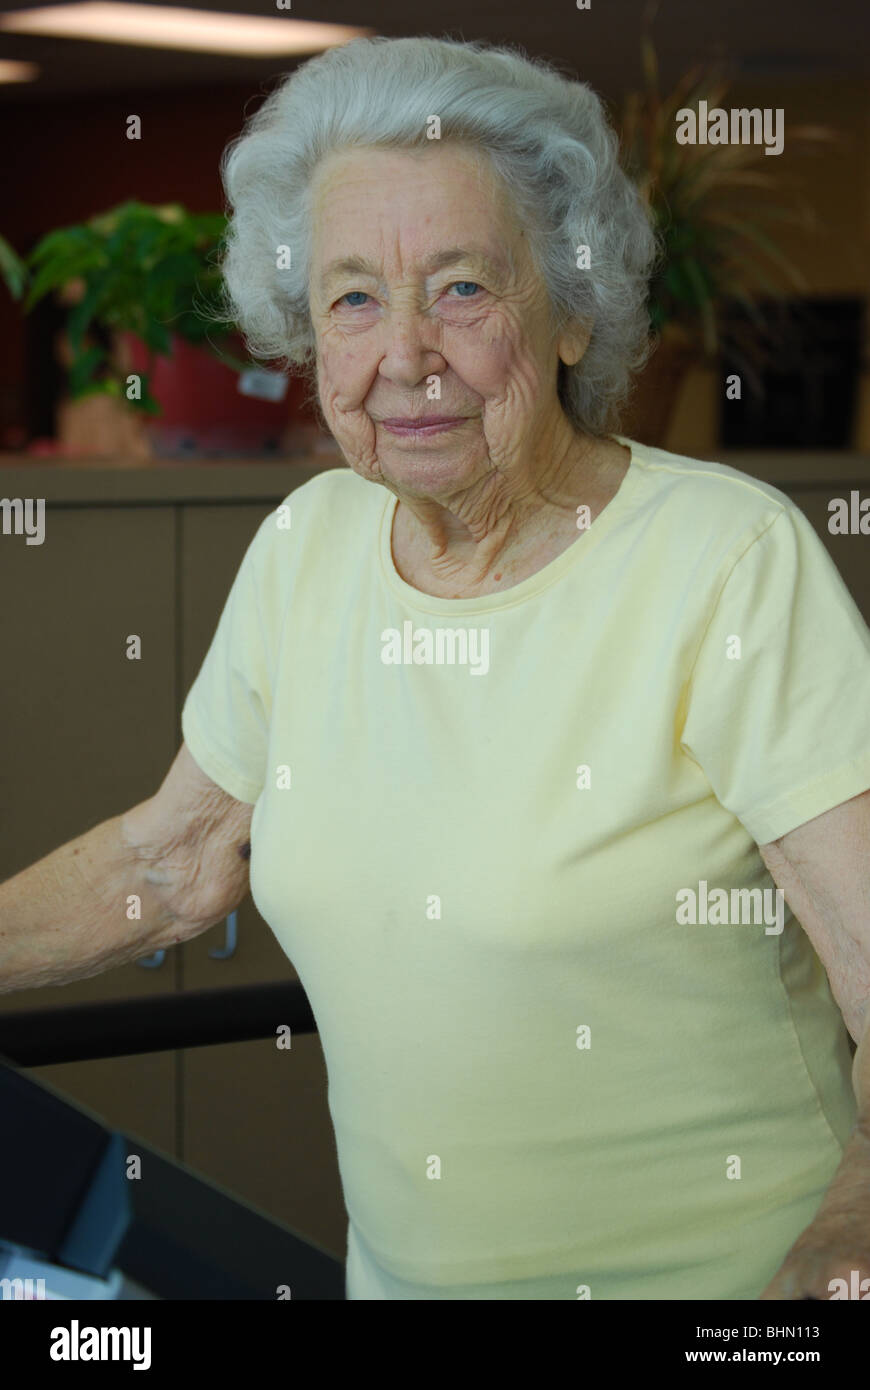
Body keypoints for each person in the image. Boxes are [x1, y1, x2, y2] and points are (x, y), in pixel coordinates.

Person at [3, 35, 870, 1301]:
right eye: (353, 298)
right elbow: (174, 862)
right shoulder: (308, 549)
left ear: (572, 310)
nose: (405, 353)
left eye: (462, 288)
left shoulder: (725, 563)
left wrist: (851, 1229)